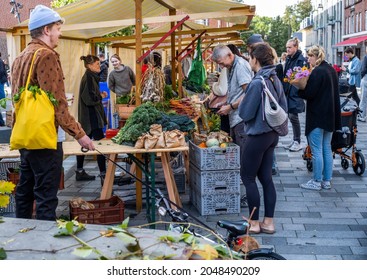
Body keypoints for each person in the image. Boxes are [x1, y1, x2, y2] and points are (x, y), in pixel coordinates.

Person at [10, 5, 95, 221]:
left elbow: (19, 99)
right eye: (57, 28)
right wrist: (80, 135)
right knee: (46, 195)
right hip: (44, 138)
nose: (59, 33)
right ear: (46, 30)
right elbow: (57, 104)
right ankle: (43, 245)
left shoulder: (20, 57)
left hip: (26, 135)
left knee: (25, 192)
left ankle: (21, 236)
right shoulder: (47, 55)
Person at [238, 43, 287, 234]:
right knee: (266, 178)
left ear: (255, 59)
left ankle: (254, 223)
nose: (249, 61)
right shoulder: (274, 78)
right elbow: (282, 106)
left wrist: (243, 102)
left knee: (248, 177)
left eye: (250, 57)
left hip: (257, 135)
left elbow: (245, 113)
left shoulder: (258, 82)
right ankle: (269, 222)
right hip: (272, 135)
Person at [298, 45, 341, 191]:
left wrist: (299, 90)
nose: (308, 58)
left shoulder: (318, 72)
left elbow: (309, 93)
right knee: (326, 148)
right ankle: (326, 181)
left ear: (316, 56)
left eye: (310, 55)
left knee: (316, 150)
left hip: (317, 116)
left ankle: (316, 181)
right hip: (330, 116)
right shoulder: (331, 70)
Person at [211, 44, 253, 152]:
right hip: (236, 118)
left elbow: (249, 93)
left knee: (243, 155)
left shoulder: (240, 66)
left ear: (229, 55)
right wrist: (226, 103)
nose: (221, 66)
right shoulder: (232, 65)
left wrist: (230, 106)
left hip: (242, 118)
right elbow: (236, 91)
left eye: (221, 62)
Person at [76, 55, 108, 181]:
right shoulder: (89, 77)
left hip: (89, 115)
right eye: (97, 64)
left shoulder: (91, 77)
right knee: (99, 143)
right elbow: (89, 98)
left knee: (86, 141)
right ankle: (103, 173)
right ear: (89, 65)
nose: (99, 67)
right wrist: (101, 96)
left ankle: (80, 170)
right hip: (90, 116)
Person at [281, 37, 307, 152]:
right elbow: (286, 75)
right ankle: (295, 140)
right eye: (287, 47)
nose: (288, 49)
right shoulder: (289, 58)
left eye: (290, 47)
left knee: (293, 116)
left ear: (296, 47)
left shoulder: (300, 60)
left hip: (295, 93)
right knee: (291, 117)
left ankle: (298, 141)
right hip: (288, 92)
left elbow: (301, 77)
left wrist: (295, 90)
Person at [359, 46, 367, 122]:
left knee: (363, 99)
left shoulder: (365, 57)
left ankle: (362, 116)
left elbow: (363, 69)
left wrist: (362, 76)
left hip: (365, 78)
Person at [0, 53, 7, 126]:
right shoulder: (1, 61)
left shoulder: (0, 61)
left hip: (0, 80)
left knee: (1, 95)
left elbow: (1, 71)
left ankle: (1, 122)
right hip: (1, 80)